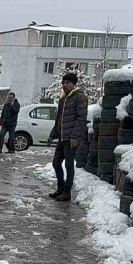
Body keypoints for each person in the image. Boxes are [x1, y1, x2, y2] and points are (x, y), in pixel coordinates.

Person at [47, 73, 88, 202]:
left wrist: (75, 137)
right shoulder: (63, 98)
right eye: (63, 83)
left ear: (73, 84)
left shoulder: (79, 97)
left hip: (71, 138)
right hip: (62, 138)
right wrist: (53, 134)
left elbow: (81, 118)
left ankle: (67, 192)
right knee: (56, 163)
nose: (64, 85)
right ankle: (60, 188)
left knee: (69, 165)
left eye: (67, 83)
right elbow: (59, 119)